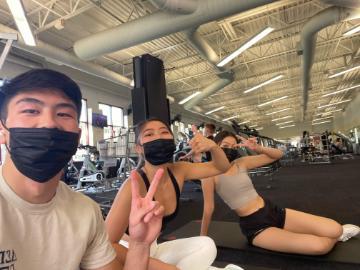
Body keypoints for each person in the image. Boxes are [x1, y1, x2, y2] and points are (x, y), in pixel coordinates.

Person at [0, 69, 164, 270]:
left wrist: (139, 245)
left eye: (63, 114)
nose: (49, 123)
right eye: (31, 111)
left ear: (77, 137)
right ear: (2, 130)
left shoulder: (86, 212)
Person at [105, 119, 239, 270]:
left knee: (207, 245)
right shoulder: (133, 186)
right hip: (128, 252)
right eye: (149, 134)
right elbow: (107, 245)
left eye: (164, 132)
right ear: (139, 148)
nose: (159, 138)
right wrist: (159, 266)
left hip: (152, 247)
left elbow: (221, 167)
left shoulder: (179, 170)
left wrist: (214, 147)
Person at [200, 130, 360, 255]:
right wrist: (201, 241)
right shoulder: (208, 173)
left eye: (234, 147)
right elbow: (208, 209)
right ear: (216, 144)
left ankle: (337, 235)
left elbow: (278, 155)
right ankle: (333, 240)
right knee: (321, 246)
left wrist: (257, 148)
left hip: (273, 211)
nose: (230, 150)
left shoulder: (240, 162)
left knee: (336, 229)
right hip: (256, 227)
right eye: (225, 146)